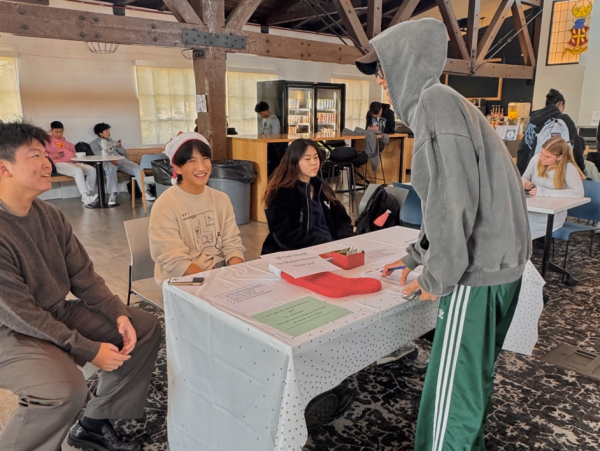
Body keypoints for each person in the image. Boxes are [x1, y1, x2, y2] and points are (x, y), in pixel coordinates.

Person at [355, 18, 531, 450]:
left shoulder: (435, 103)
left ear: (404, 62)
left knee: (451, 392)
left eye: (382, 67)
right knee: (471, 382)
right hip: (500, 264)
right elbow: (451, 199)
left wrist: (436, 276)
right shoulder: (449, 103)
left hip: (476, 271)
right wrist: (417, 254)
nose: (380, 79)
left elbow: (454, 203)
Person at [0, 121, 161, 451]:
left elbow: (84, 277)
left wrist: (118, 314)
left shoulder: (50, 215)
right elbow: (20, 314)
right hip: (8, 330)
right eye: (35, 155)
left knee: (141, 326)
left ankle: (93, 423)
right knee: (63, 391)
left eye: (46, 155)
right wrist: (86, 349)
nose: (48, 163)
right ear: (4, 168)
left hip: (53, 313)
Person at [149, 132, 245, 285]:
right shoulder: (165, 205)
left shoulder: (221, 199)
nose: (201, 167)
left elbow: (232, 244)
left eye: (205, 158)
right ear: (177, 168)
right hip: (181, 280)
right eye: (191, 161)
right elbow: (174, 261)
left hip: (219, 274)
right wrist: (212, 282)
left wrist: (235, 275)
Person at [261, 138, 354, 255]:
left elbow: (343, 220)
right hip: (298, 255)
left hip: (332, 251)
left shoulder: (322, 188)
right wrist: (324, 246)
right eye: (307, 159)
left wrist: (343, 242)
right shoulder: (282, 192)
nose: (314, 162)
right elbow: (285, 235)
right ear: (294, 162)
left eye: (316, 157)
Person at [522, 137, 585, 239]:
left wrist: (545, 192)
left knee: (522, 224)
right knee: (513, 219)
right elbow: (524, 177)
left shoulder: (568, 168)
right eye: (542, 153)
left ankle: (520, 250)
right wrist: (525, 183)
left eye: (547, 157)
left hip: (552, 215)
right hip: (533, 208)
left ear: (559, 157)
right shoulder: (536, 159)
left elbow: (578, 193)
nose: (542, 158)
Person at [516, 88, 586, 175]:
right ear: (561, 104)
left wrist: (521, 171)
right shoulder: (563, 119)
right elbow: (576, 146)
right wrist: (581, 168)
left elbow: (524, 147)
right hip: (554, 172)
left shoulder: (533, 120)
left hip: (529, 170)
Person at [90, 123, 156, 207]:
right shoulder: (94, 143)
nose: (108, 132)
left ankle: (145, 192)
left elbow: (124, 155)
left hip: (120, 160)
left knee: (138, 168)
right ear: (100, 133)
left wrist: (119, 146)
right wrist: (111, 160)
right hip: (107, 162)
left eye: (108, 130)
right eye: (106, 130)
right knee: (111, 169)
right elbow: (98, 155)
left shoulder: (113, 141)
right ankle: (112, 195)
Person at [45, 121, 98, 207]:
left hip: (73, 162)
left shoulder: (68, 144)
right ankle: (85, 197)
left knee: (92, 170)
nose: (59, 134)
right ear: (51, 131)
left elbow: (74, 154)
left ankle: (88, 194)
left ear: (64, 130)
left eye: (61, 132)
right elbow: (44, 155)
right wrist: (55, 155)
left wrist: (78, 159)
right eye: (56, 132)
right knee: (78, 171)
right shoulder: (47, 142)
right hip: (59, 163)